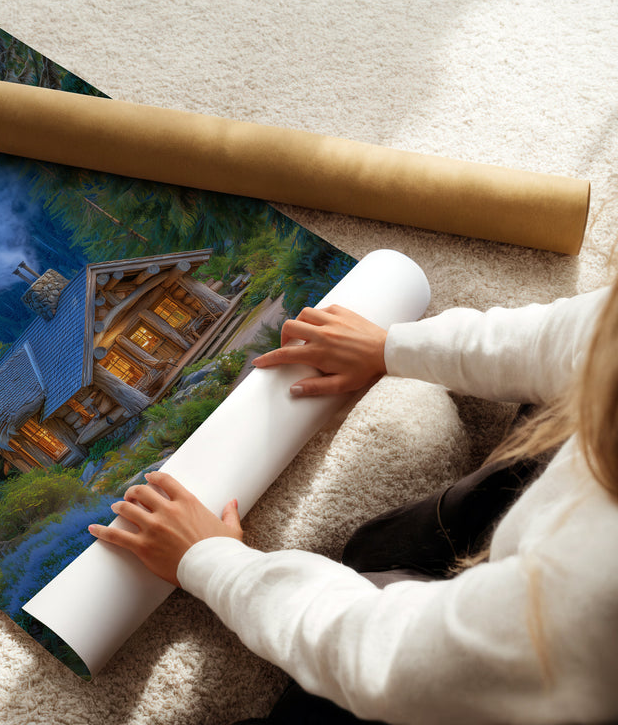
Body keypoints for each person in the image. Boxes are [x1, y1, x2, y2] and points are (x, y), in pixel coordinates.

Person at [88, 284, 618, 724]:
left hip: (531, 673)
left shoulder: (593, 595)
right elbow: (579, 335)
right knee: (381, 546)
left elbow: (392, 658)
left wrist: (212, 562)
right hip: (544, 547)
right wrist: (390, 347)